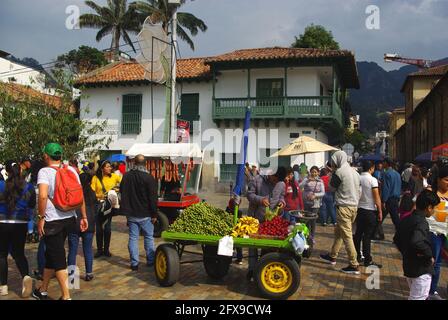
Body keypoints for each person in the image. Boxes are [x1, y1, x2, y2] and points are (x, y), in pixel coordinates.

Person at [33, 143, 88, 301]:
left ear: (46, 156)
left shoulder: (44, 171)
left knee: (58, 258)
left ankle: (66, 296)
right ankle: (42, 289)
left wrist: (41, 218)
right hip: (70, 219)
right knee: (51, 254)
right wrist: (83, 216)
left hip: (53, 221)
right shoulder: (71, 169)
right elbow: (80, 194)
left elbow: (43, 196)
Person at [320, 151, 362, 274]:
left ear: (338, 160)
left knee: (347, 236)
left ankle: (354, 264)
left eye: (333, 161)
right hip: (354, 207)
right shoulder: (355, 172)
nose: (332, 163)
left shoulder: (339, 172)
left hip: (343, 207)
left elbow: (331, 187)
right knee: (338, 233)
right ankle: (333, 255)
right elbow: (359, 190)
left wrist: (332, 172)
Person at [393, 190, 439, 300]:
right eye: (434, 208)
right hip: (421, 269)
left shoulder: (406, 219)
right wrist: (429, 255)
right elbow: (417, 241)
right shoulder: (422, 222)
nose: (435, 211)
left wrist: (406, 251)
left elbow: (397, 239)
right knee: (417, 298)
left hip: (409, 266)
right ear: (429, 207)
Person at [0, 161, 36, 298]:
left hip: (2, 222)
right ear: (20, 170)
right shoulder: (28, 187)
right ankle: (26, 276)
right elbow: (32, 205)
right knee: (19, 253)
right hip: (20, 223)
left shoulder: (1, 185)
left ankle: (3, 286)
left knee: (2, 254)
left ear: (7, 171)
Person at [246, 167, 286, 280]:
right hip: (255, 218)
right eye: (275, 179)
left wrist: (282, 203)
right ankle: (252, 270)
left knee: (268, 246)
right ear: (271, 173)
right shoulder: (257, 179)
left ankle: (263, 269)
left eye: (278, 181)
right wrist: (260, 199)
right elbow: (249, 194)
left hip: (271, 221)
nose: (276, 182)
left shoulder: (281, 184)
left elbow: (282, 196)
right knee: (253, 245)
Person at [120, 154, 158, 271]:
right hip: (145, 213)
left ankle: (134, 263)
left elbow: (122, 192)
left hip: (131, 213)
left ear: (134, 163)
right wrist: (154, 214)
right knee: (149, 237)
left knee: (133, 238)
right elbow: (153, 198)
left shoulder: (126, 176)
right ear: (145, 164)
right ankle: (150, 261)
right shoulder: (148, 177)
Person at [67, 170, 96, 282]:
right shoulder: (92, 193)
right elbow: (95, 209)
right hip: (88, 222)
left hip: (74, 222)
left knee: (72, 250)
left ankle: (71, 276)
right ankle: (89, 273)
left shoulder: (75, 192)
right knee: (88, 249)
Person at [353, 160, 383, 268]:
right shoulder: (372, 180)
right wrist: (380, 210)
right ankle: (367, 259)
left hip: (359, 210)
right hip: (370, 210)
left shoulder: (358, 178)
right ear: (371, 168)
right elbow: (376, 197)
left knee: (358, 234)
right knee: (367, 236)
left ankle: (356, 255)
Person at [91, 160, 121, 258]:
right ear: (102, 168)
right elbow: (92, 192)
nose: (110, 168)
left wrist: (117, 190)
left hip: (109, 206)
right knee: (99, 228)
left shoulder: (114, 176)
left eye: (110, 167)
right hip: (98, 206)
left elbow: (123, 183)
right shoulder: (95, 178)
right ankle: (99, 250)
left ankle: (106, 250)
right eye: (107, 167)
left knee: (107, 228)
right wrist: (100, 195)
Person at [426, 164, 448, 300]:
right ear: (439, 179)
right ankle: (429, 290)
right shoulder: (431, 192)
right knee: (433, 261)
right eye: (446, 179)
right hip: (432, 231)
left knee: (438, 262)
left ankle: (431, 290)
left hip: (445, 233)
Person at [300, 166, 325, 239]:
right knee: (306, 219)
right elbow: (300, 186)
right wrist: (306, 180)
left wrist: (315, 195)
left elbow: (323, 193)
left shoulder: (320, 181)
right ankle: (307, 235)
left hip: (316, 203)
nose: (314, 173)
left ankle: (312, 237)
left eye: (315, 172)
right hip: (306, 202)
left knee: (313, 220)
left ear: (318, 173)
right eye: (312, 172)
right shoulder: (306, 179)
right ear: (310, 172)